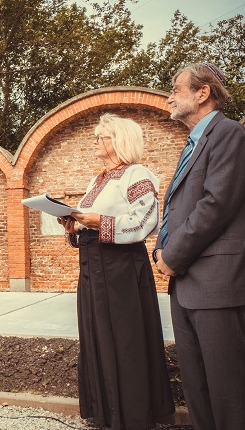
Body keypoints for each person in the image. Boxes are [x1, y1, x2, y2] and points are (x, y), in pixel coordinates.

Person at [58, 114, 174, 429]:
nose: (95, 141)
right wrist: (74, 226)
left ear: (119, 141)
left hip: (120, 268)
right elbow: (89, 224)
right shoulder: (97, 180)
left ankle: (133, 416)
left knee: (125, 339)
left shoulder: (137, 174)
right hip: (92, 267)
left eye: (101, 136)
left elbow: (145, 222)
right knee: (96, 333)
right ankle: (107, 412)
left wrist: (98, 221)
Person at [153, 62, 245, 430]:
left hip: (216, 285)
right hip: (186, 285)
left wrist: (172, 255)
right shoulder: (192, 143)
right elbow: (175, 206)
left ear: (202, 93)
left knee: (226, 390)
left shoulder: (229, 134)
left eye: (176, 89)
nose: (169, 97)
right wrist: (159, 249)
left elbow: (216, 204)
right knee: (197, 386)